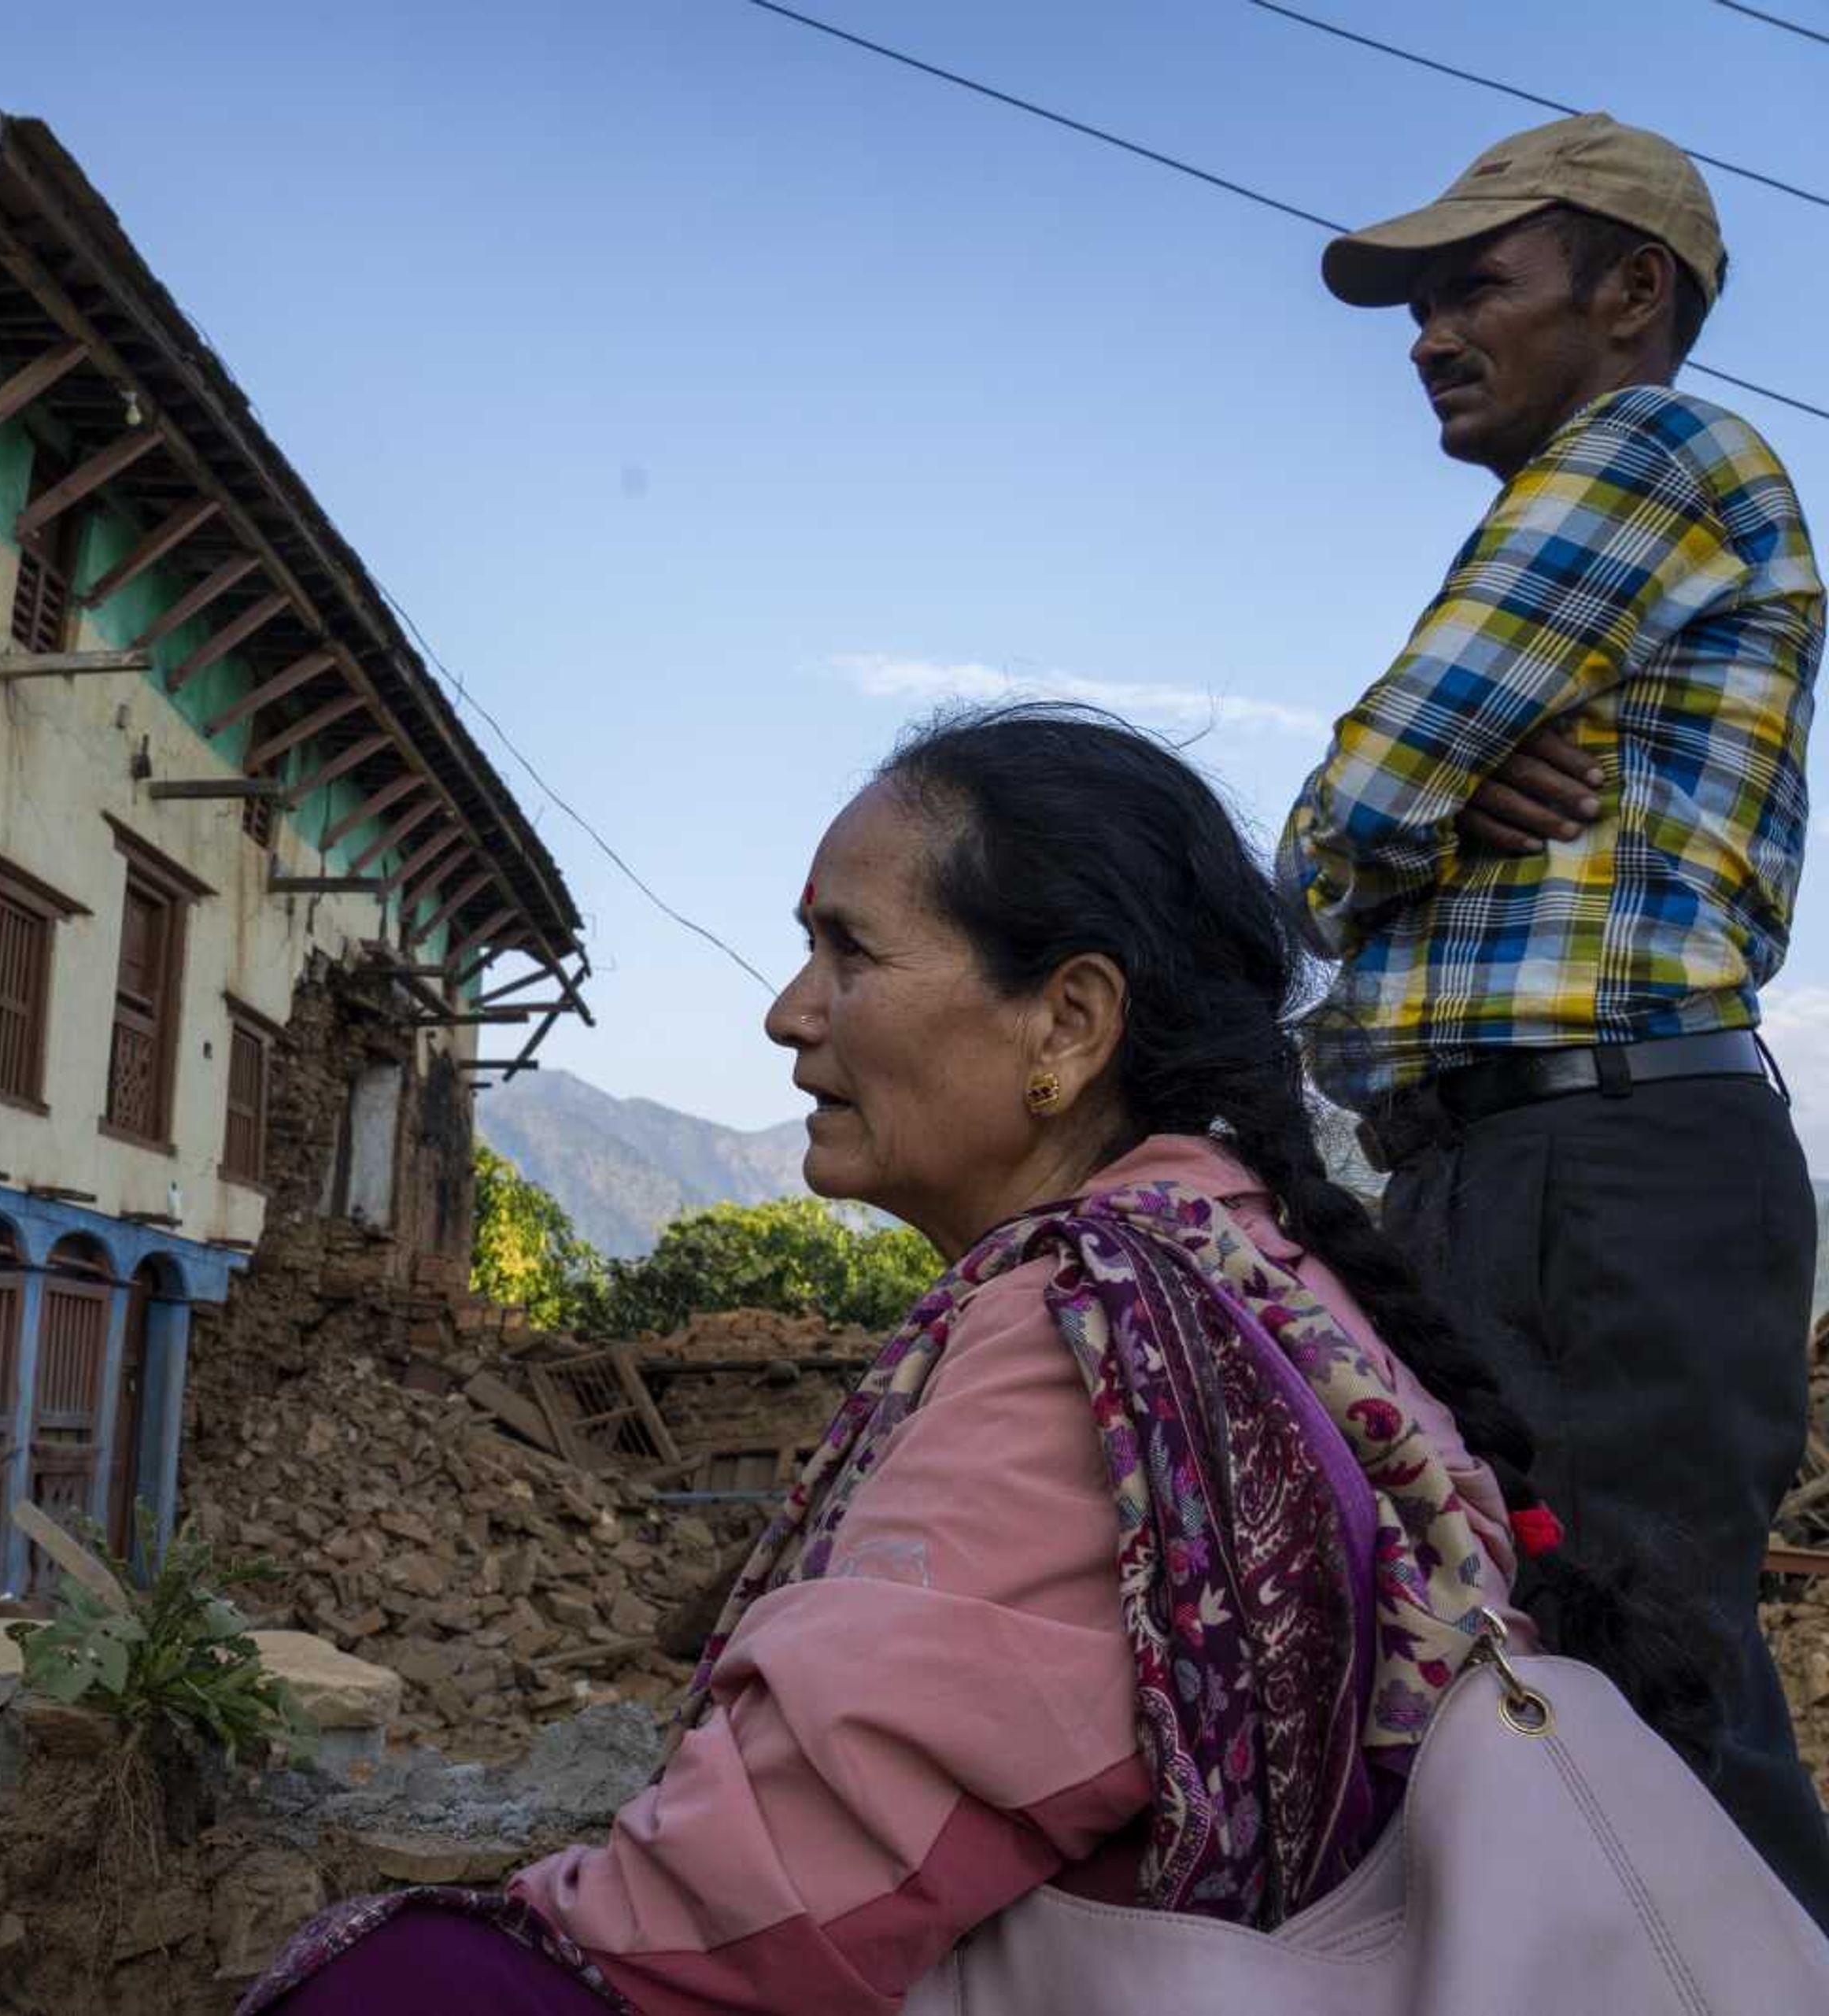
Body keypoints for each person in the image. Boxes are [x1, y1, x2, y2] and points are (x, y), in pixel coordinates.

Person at [240, 708, 1721, 2014]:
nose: (790, 1012)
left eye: (848, 950)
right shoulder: (1258, 1268)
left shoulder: (1086, 1332)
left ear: (1067, 1022)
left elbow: (740, 1909)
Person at [1277, 111, 1829, 1918]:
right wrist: (1403, 813)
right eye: (1414, 302)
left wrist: (1395, 818)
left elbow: (1356, 799)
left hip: (1597, 1164)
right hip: (1533, 1160)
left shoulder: (1646, 447)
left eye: (1474, 286)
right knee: (1538, 1689)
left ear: (1632, 290)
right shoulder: (1604, 499)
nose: (1428, 332)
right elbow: (1371, 816)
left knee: (1643, 1701)